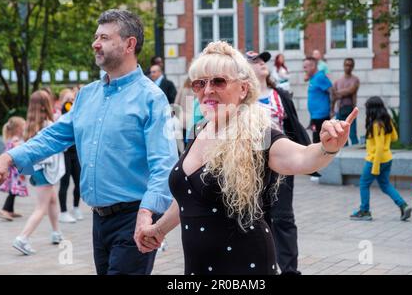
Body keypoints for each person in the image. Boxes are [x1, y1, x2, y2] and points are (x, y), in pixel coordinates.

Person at [135, 41, 358, 275]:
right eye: (200, 83)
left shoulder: (256, 133)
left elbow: (301, 158)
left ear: (243, 89)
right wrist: (159, 230)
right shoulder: (199, 130)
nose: (207, 89)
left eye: (218, 81)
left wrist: (327, 147)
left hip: (246, 266)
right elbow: (189, 197)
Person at [0, 9, 178, 274]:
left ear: (129, 44)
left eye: (104, 37)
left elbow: (164, 163)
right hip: (98, 221)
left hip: (134, 219)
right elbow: (53, 135)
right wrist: (7, 158)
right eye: (95, 36)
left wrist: (148, 212)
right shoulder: (87, 95)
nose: (95, 43)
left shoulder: (152, 97)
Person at [246, 50, 311, 275]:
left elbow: (293, 126)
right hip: (252, 167)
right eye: (254, 61)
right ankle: (264, 267)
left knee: (283, 217)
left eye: (263, 60)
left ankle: (290, 271)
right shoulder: (243, 99)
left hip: (281, 165)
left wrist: (305, 153)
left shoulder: (280, 95)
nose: (262, 63)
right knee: (257, 218)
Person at [12, 90, 65, 255]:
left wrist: (24, 171)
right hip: (45, 171)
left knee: (53, 200)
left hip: (35, 170)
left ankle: (56, 233)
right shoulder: (49, 125)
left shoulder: (29, 125)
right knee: (41, 207)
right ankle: (22, 238)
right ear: (46, 104)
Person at [350, 96, 412, 221]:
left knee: (364, 184)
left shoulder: (376, 125)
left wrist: (375, 167)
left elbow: (378, 147)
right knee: (385, 185)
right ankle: (403, 205)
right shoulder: (386, 121)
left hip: (375, 160)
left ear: (372, 110)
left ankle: (365, 211)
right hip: (387, 158)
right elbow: (394, 137)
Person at [57, 88, 82, 223]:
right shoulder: (60, 115)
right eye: (68, 100)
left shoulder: (77, 111)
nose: (71, 102)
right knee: (64, 183)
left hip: (76, 152)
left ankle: (76, 207)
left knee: (78, 182)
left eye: (73, 99)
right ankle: (63, 211)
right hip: (65, 153)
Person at [0, 116, 28, 221]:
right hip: (15, 172)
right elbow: (19, 155)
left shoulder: (12, 139)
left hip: (13, 171)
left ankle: (10, 210)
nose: (25, 128)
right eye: (24, 126)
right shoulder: (16, 140)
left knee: (13, 191)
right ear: (19, 128)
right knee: (13, 191)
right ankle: (4, 210)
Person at [304, 57, 333, 143]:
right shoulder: (313, 77)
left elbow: (332, 91)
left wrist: (332, 109)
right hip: (315, 116)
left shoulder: (320, 77)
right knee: (316, 140)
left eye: (306, 67)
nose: (304, 69)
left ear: (313, 66)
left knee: (319, 141)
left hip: (321, 117)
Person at [332, 58, 360, 145]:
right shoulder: (338, 81)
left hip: (350, 109)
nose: (348, 67)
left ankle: (355, 153)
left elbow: (351, 90)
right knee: (341, 134)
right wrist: (331, 109)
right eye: (346, 65)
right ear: (344, 66)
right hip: (340, 109)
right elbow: (334, 96)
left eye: (350, 65)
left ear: (353, 67)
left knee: (352, 134)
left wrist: (338, 92)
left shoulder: (355, 79)